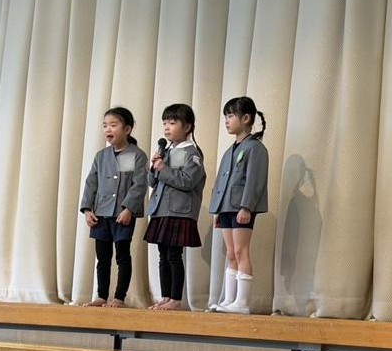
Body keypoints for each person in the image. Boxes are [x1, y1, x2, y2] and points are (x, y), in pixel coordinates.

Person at [80, 107, 148, 307]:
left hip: (122, 215)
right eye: (105, 125)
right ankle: (101, 295)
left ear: (127, 129)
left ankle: (119, 297)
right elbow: (91, 183)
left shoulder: (136, 155)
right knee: (102, 258)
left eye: (113, 125)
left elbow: (139, 185)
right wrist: (87, 209)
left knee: (122, 256)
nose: (108, 129)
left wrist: (129, 209)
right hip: (100, 213)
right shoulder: (101, 156)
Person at [209, 97, 268, 314]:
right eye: (226, 116)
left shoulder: (255, 148)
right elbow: (220, 182)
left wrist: (247, 207)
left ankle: (242, 302)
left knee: (241, 251)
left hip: (241, 207)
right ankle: (229, 300)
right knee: (231, 252)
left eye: (231, 116)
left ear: (246, 119)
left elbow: (254, 181)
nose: (227, 120)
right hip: (226, 207)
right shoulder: (230, 150)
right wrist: (217, 209)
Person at [145, 104, 206, 311]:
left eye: (172, 123)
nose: (166, 127)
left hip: (179, 211)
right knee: (163, 255)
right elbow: (152, 183)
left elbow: (188, 180)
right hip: (161, 209)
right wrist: (154, 167)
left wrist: (164, 168)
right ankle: (165, 296)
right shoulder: (167, 151)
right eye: (165, 123)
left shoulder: (191, 153)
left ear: (187, 127)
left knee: (173, 255)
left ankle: (175, 299)